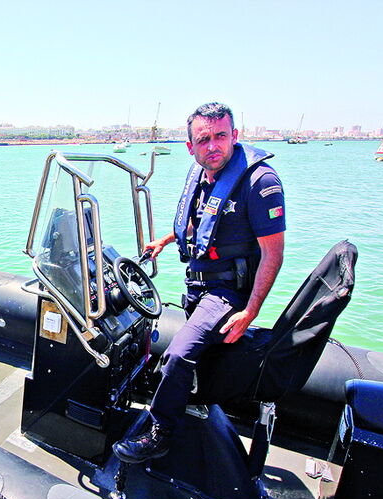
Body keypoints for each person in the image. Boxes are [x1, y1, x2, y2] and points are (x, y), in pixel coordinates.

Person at [113, 102, 285, 463]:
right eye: (204, 139)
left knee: (177, 354)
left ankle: (160, 433)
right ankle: (184, 400)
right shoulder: (204, 175)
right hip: (198, 288)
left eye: (221, 136)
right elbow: (203, 222)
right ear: (191, 147)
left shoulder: (260, 182)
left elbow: (272, 254)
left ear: (235, 136)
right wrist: (165, 239)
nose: (213, 145)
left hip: (227, 293)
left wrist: (251, 311)